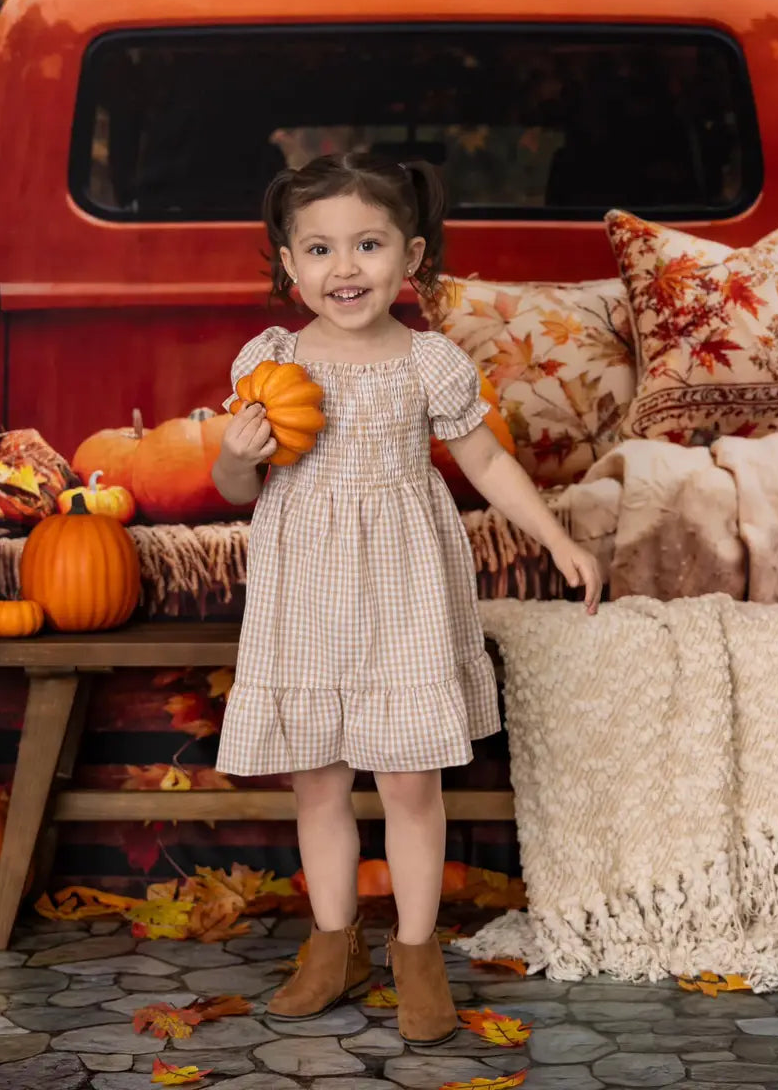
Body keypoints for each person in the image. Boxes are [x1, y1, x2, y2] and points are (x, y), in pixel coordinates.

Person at [212, 152, 601, 1046]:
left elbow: (489, 462)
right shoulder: (269, 360)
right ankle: (334, 945)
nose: (343, 268)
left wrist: (559, 538)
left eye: (368, 244)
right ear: (288, 265)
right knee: (319, 781)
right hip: (305, 588)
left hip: (404, 588)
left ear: (410, 256)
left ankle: (415, 952)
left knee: (410, 782)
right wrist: (238, 448)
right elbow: (238, 487)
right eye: (318, 249)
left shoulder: (429, 361)